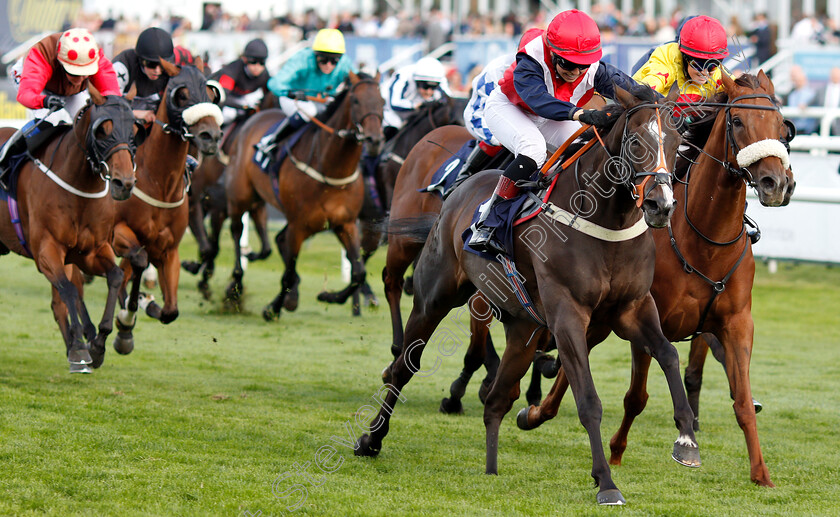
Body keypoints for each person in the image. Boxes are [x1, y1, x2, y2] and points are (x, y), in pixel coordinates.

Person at [467, 9, 645, 255]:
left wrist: (668, 110)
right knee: (533, 149)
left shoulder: (595, 68)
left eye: (582, 66)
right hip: (509, 108)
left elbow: (635, 91)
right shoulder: (531, 58)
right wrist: (581, 114)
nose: (575, 72)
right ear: (552, 52)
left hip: (550, 115)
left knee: (587, 146)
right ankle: (489, 220)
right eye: (569, 64)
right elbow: (538, 100)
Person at [0, 28, 120, 190]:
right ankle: (5, 159)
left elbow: (111, 95)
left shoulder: (93, 55)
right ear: (61, 63)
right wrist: (45, 100)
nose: (80, 80)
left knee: (86, 122)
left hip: (67, 89)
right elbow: (26, 95)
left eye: (85, 73)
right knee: (49, 121)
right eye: (75, 73)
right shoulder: (41, 55)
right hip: (36, 83)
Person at [454, 28, 544, 187]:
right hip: (483, 114)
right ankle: (464, 175)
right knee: (499, 138)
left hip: (522, 115)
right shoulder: (497, 69)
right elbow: (486, 110)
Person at [254, 28, 353, 161]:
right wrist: (291, 93)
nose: (329, 65)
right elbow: (274, 83)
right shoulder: (302, 60)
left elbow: (359, 82)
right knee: (309, 110)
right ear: (315, 54)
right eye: (324, 59)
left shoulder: (345, 63)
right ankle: (270, 142)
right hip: (293, 99)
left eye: (334, 61)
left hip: (321, 101)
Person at [632, 15, 730, 107]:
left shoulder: (717, 72)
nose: (705, 73)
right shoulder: (667, 62)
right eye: (699, 65)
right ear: (684, 57)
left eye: (712, 65)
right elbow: (644, 94)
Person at [112, 27, 176, 124]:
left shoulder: (170, 69)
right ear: (141, 60)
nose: (157, 71)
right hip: (120, 120)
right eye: (152, 65)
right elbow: (108, 108)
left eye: (162, 65)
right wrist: (135, 113)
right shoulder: (121, 67)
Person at [381, 56, 451, 139]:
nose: (429, 92)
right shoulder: (402, 76)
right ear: (417, 81)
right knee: (391, 130)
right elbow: (394, 103)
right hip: (395, 114)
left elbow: (450, 100)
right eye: (425, 86)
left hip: (418, 113)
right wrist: (416, 105)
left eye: (433, 87)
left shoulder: (440, 79)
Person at [210, 38, 270, 126]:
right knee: (229, 115)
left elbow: (268, 96)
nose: (257, 66)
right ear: (245, 59)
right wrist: (243, 107)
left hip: (241, 99)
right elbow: (222, 98)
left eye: (262, 62)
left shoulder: (264, 75)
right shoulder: (231, 71)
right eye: (253, 61)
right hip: (219, 99)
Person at [785, 65, 818, 135]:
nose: (798, 82)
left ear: (805, 80)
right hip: (795, 128)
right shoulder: (792, 95)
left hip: (808, 129)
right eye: (797, 80)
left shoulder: (812, 93)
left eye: (800, 80)